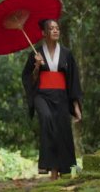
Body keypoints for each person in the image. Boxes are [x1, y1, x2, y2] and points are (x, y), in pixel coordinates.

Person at [22, 19, 82, 180]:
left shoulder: (67, 54)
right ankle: (49, 167)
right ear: (44, 33)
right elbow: (29, 80)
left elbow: (72, 80)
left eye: (57, 28)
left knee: (62, 129)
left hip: (61, 95)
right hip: (42, 95)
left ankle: (60, 172)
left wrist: (75, 106)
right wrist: (36, 66)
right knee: (47, 119)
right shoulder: (36, 54)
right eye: (51, 28)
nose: (56, 31)